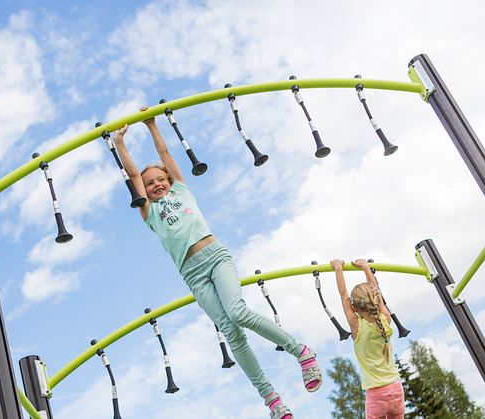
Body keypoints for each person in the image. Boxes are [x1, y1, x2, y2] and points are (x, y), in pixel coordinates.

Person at [112, 108, 322, 419]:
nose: (156, 185)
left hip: (215, 256)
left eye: (160, 179)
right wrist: (120, 145)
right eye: (150, 184)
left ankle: (301, 352)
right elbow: (132, 176)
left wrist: (152, 125)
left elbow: (165, 152)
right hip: (192, 273)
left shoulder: (181, 189)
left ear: (169, 180)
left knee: (237, 311)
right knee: (230, 331)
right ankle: (272, 400)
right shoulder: (150, 213)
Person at [331, 258, 405, 419]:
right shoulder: (385, 319)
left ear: (355, 307)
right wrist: (366, 267)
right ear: (377, 301)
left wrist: (338, 268)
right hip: (396, 388)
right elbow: (376, 291)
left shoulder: (357, 326)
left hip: (376, 393)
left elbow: (343, 296)